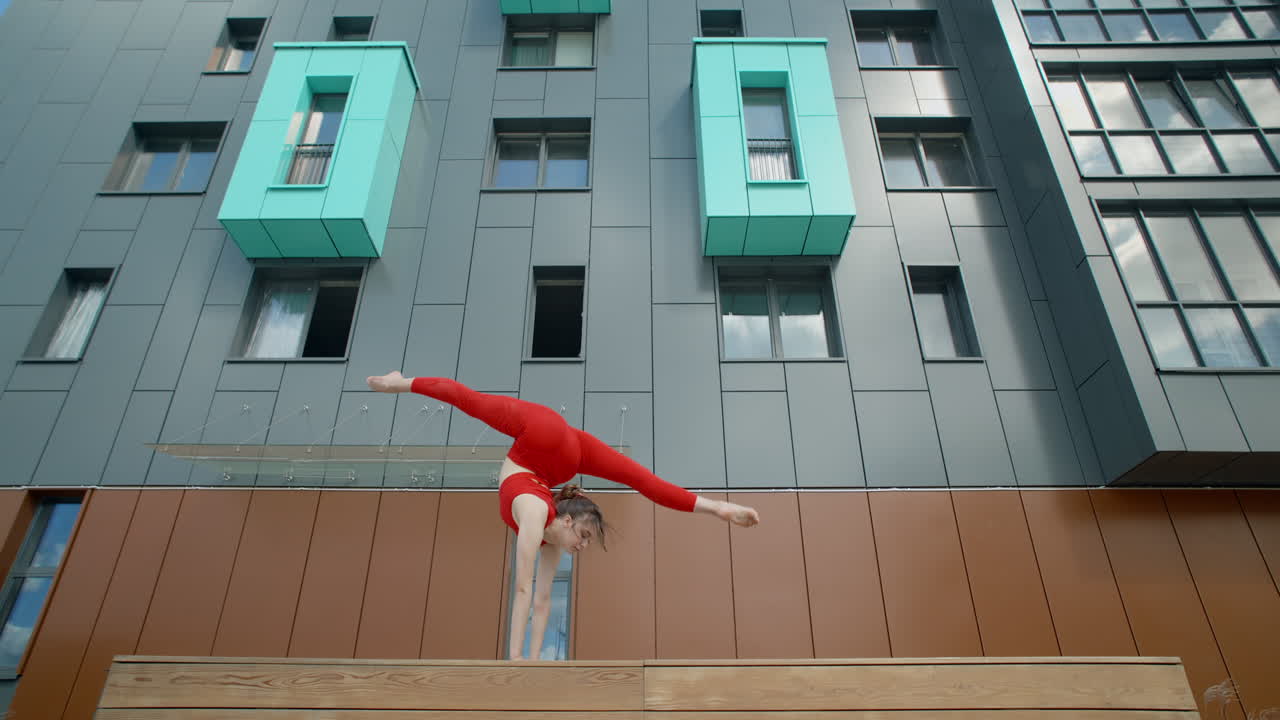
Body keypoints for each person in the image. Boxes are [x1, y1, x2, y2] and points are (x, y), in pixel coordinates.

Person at [366, 371, 760, 659]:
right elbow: (524, 591)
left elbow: (540, 598)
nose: (583, 546)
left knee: (640, 478)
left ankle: (718, 507)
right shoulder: (538, 513)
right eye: (585, 537)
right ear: (567, 520)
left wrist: (530, 662)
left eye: (585, 540)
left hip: (557, 446)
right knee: (470, 401)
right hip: (546, 435)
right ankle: (401, 383)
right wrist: (516, 660)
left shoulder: (546, 528)